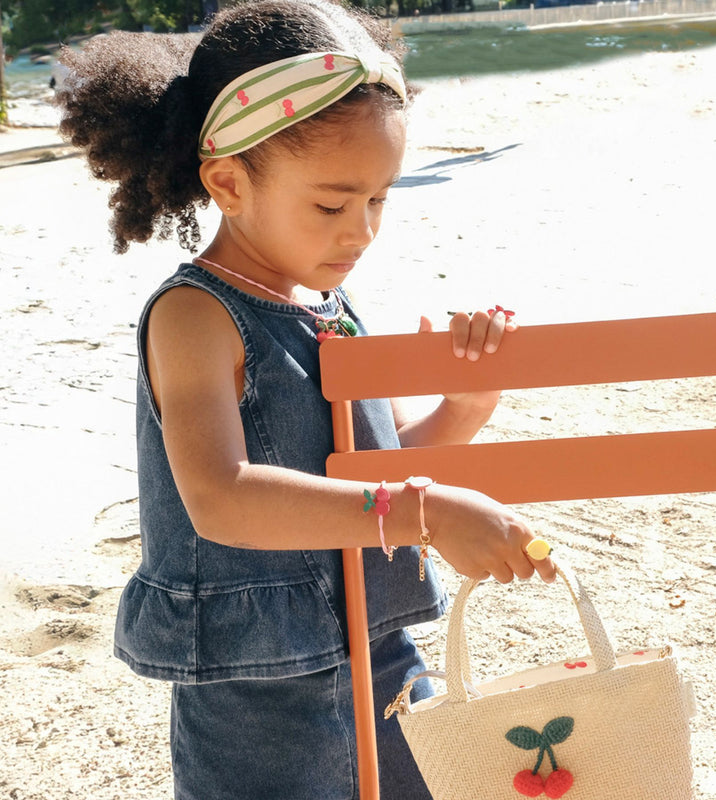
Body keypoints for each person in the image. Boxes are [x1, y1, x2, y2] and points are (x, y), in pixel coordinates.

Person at [57, 2, 555, 798]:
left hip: (382, 647)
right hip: (257, 690)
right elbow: (221, 497)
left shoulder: (334, 307)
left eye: (379, 199)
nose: (361, 231)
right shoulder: (197, 315)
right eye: (332, 204)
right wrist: (429, 512)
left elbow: (369, 470)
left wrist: (464, 405)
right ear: (227, 181)